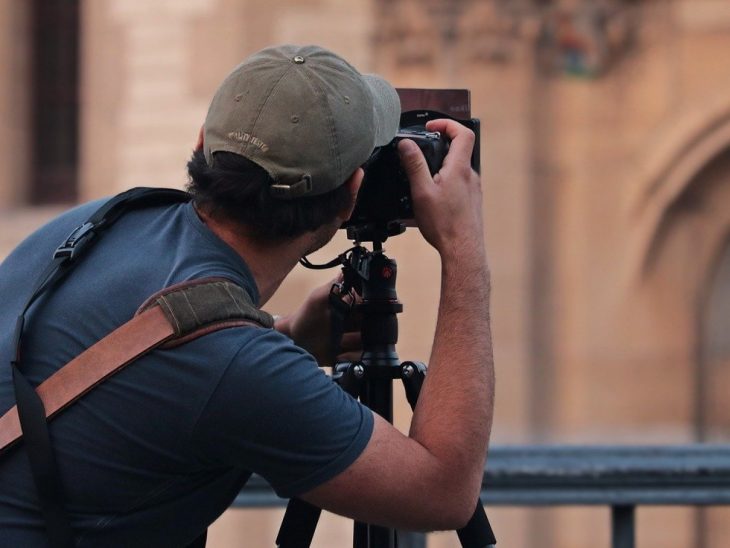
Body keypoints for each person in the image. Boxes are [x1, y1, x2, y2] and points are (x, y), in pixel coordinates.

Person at [0, 44, 494, 546]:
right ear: (351, 193)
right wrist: (462, 247)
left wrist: (287, 338)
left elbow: (164, 376)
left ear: (202, 145)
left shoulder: (94, 224)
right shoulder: (234, 365)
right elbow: (445, 492)